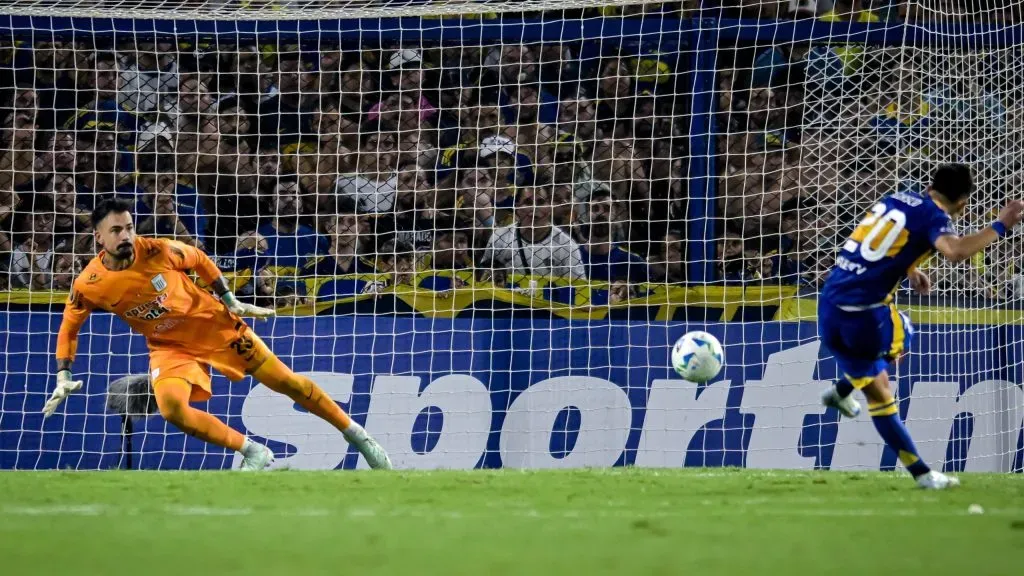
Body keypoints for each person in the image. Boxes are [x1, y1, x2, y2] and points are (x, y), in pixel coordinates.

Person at [43, 198, 392, 471]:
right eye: (117, 230)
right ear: (99, 237)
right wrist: (63, 374)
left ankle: (359, 436)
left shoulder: (157, 250)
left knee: (287, 383)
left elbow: (198, 259)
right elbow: (70, 326)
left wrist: (230, 299)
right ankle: (252, 450)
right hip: (169, 346)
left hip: (215, 326)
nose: (126, 236)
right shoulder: (89, 283)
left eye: (130, 227)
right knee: (172, 409)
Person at [818, 164, 1023, 489]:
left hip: (828, 304)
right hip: (864, 316)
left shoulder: (897, 199)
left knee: (879, 387)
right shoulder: (934, 218)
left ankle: (921, 472)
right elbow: (954, 251)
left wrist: (910, 269)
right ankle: (844, 391)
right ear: (963, 202)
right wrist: (1002, 224)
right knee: (905, 335)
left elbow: (883, 243)